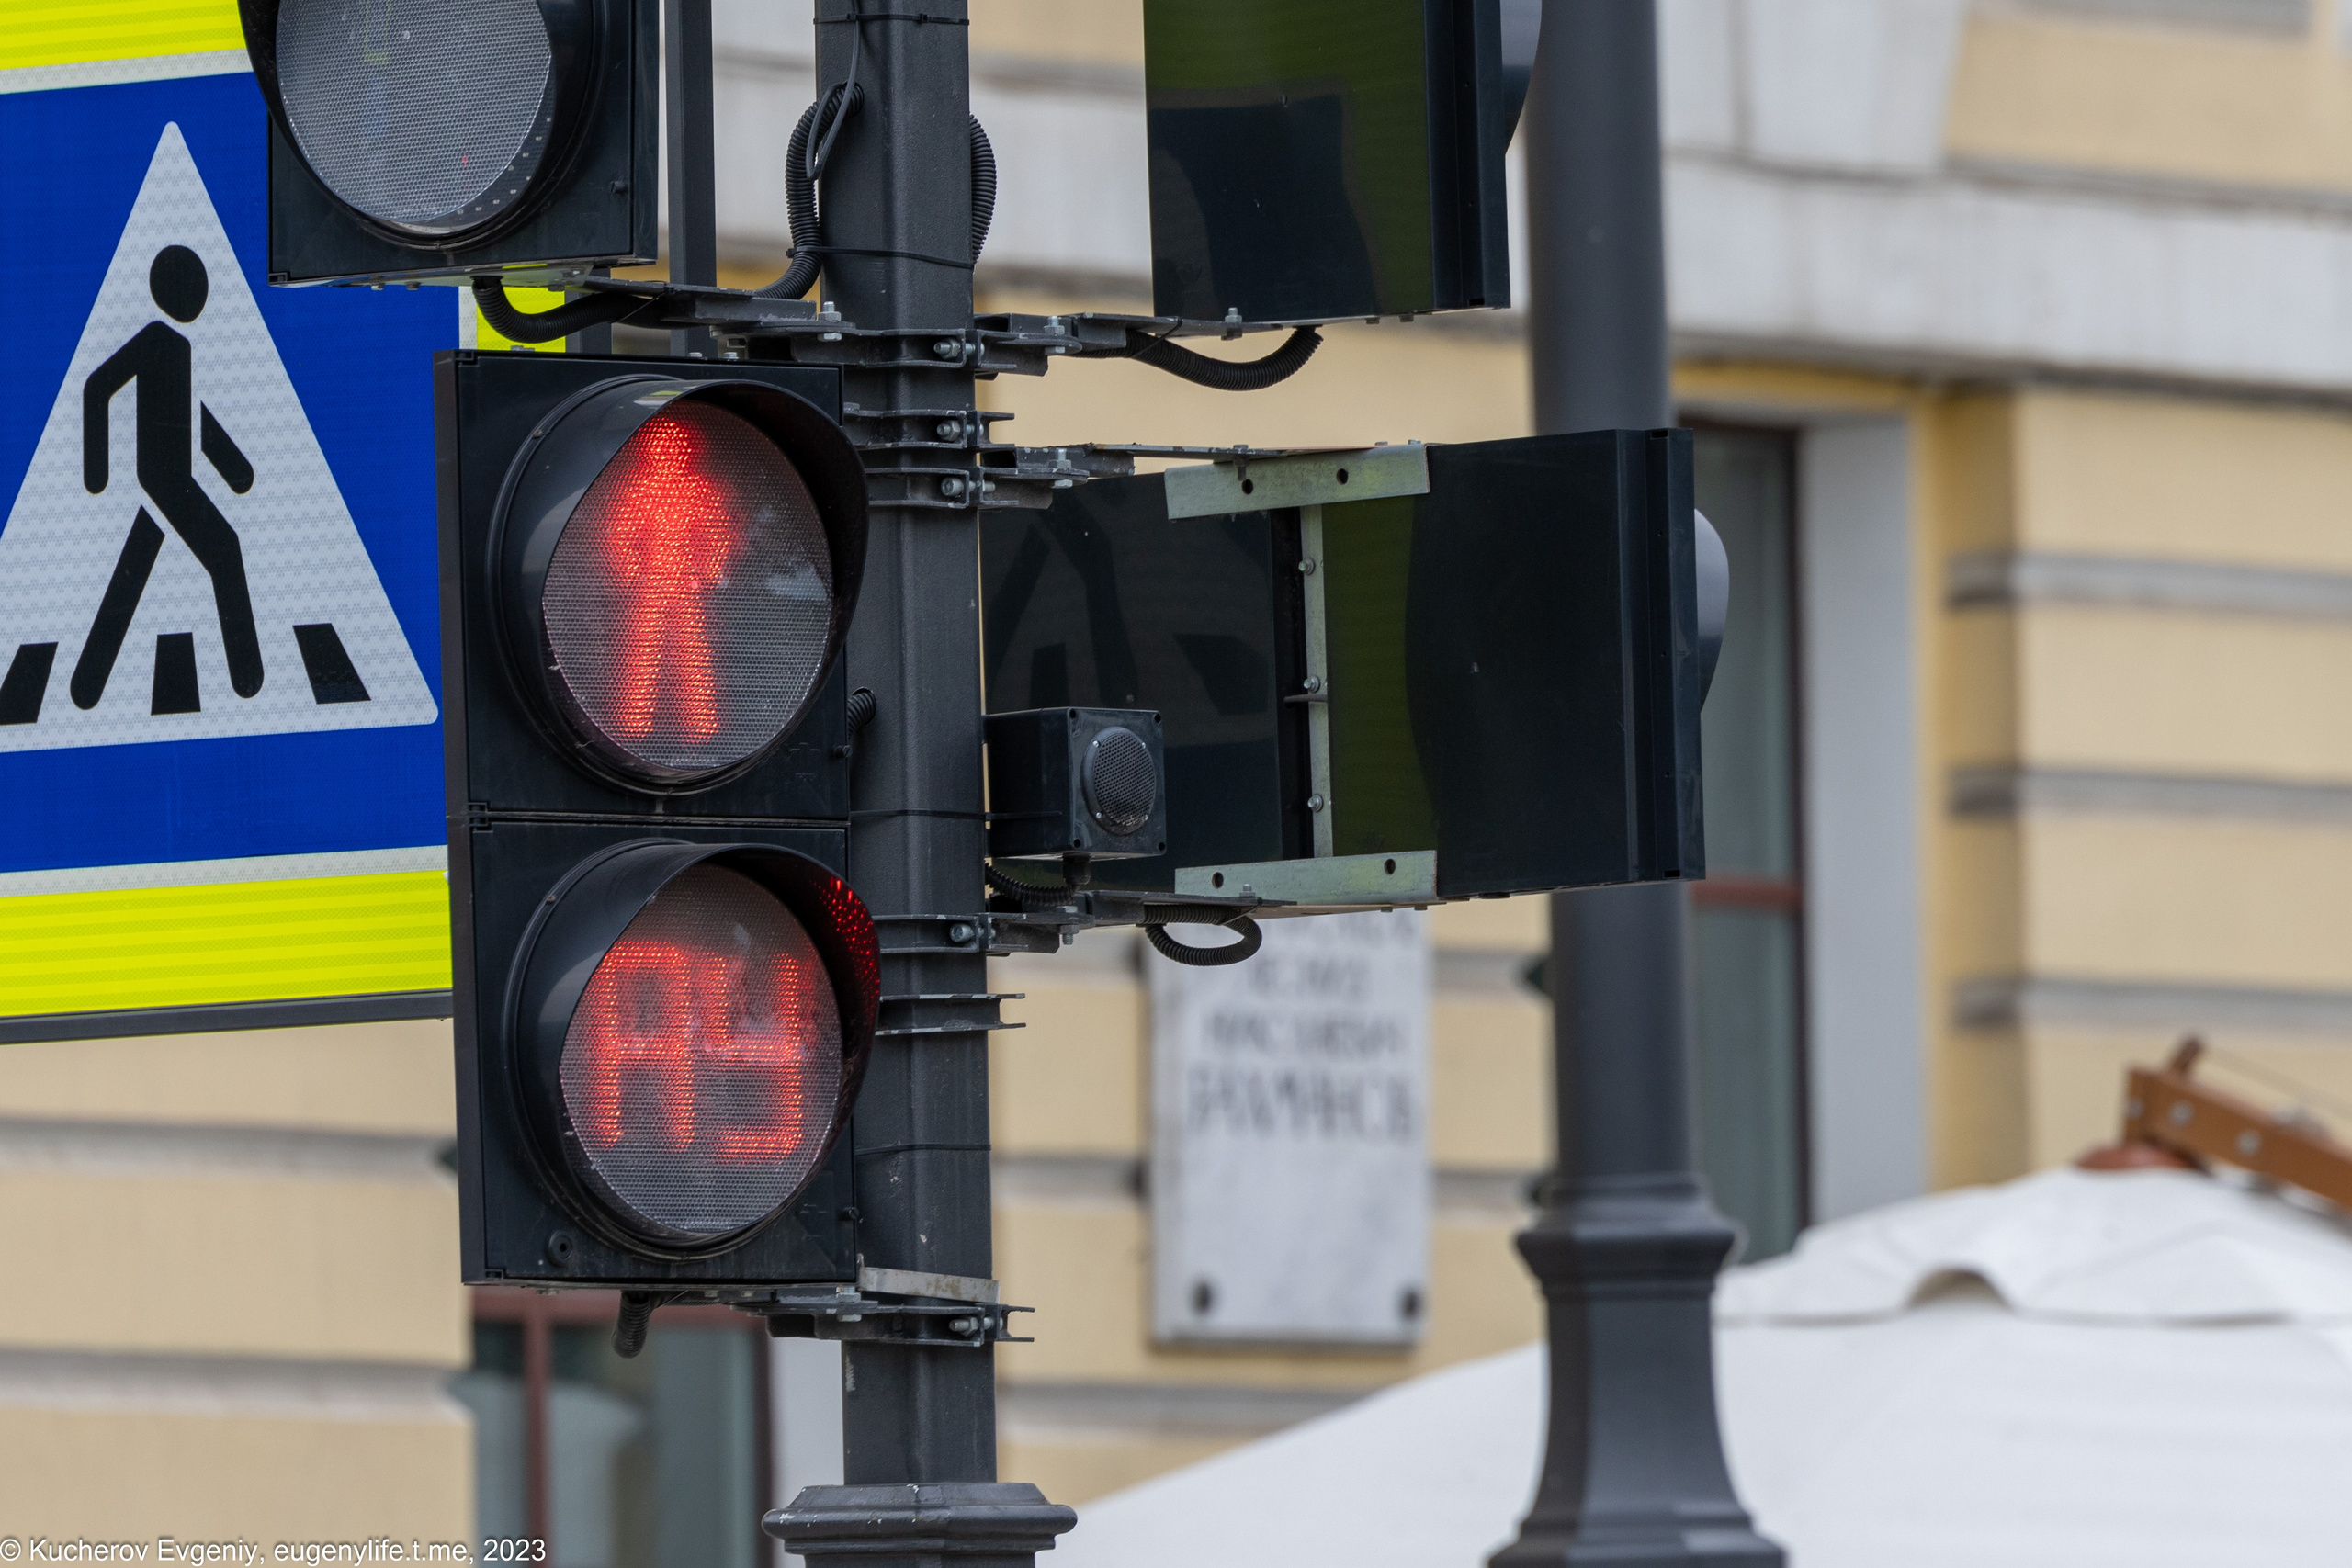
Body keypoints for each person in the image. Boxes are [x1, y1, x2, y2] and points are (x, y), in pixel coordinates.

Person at [74, 243, 262, 708]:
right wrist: (96, 471)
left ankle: (86, 684)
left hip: (170, 475)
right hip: (160, 477)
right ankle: (249, 678)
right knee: (224, 550)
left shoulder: (177, 346)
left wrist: (236, 470)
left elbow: (192, 419)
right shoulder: (155, 339)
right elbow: (98, 387)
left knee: (133, 569)